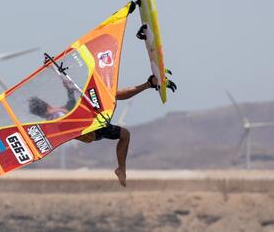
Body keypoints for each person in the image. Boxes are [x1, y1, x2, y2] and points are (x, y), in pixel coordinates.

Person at [28, 75, 174, 187]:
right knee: (124, 133)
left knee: (111, 96)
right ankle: (121, 169)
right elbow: (69, 119)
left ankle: (149, 84)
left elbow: (70, 105)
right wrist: (70, 92)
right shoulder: (55, 116)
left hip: (92, 123)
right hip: (93, 129)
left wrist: (68, 89)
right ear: (44, 103)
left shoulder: (53, 116)